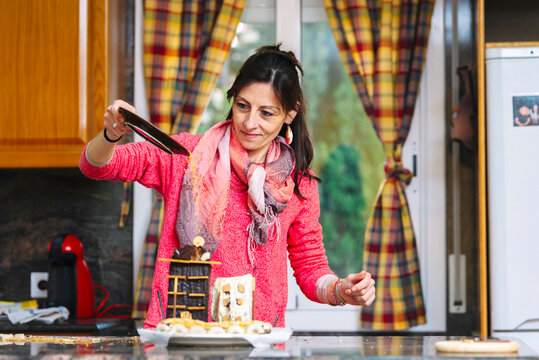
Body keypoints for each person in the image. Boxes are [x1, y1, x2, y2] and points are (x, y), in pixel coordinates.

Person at [80, 44, 376, 329]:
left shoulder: (298, 184)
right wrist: (110, 135)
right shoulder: (187, 157)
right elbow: (96, 166)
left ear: (290, 113)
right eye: (242, 106)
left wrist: (340, 289)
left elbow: (310, 266)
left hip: (260, 342)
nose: (249, 122)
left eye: (266, 113)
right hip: (180, 335)